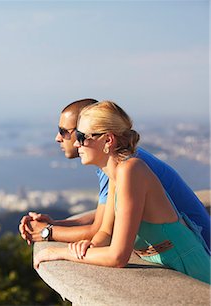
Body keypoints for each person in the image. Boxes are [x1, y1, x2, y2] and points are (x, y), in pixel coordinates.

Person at [33, 101, 210, 283]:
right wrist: (89, 245)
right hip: (173, 267)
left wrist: (59, 252)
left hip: (192, 268)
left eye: (81, 136)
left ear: (108, 140)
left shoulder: (131, 170)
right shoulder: (116, 174)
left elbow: (118, 256)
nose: (77, 144)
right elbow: (105, 232)